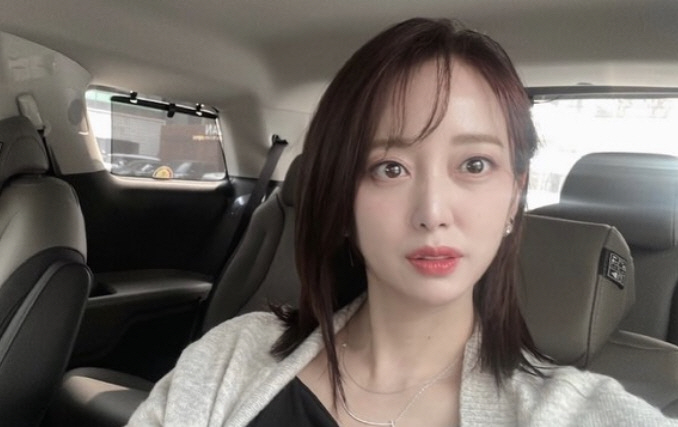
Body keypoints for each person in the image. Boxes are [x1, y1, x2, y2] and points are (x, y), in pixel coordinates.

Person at [127, 18, 675, 427]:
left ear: (515, 195)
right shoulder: (231, 357)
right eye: (390, 168)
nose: (433, 212)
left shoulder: (578, 413)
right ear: (342, 201)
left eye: (474, 165)